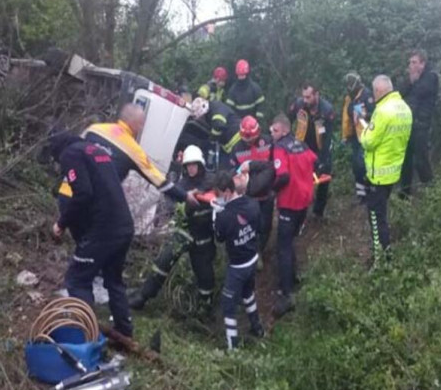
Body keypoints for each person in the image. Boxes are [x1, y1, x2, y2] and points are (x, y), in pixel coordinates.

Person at [49, 131, 135, 337]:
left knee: (76, 279)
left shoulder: (69, 154)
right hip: (124, 225)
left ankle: (87, 334)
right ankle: (124, 331)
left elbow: (83, 193)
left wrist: (61, 224)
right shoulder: (95, 150)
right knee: (113, 279)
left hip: (104, 228)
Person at [127, 145, 216, 314]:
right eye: (188, 165)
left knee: (205, 274)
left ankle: (205, 309)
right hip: (184, 232)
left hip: (204, 237)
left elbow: (221, 183)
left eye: (194, 165)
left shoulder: (211, 181)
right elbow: (170, 202)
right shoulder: (182, 185)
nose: (191, 168)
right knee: (163, 262)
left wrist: (199, 193)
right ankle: (143, 296)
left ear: (201, 164)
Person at [82, 103, 198, 207]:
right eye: (141, 123)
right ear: (133, 122)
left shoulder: (94, 130)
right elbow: (158, 179)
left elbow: (69, 152)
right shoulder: (133, 149)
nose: (141, 128)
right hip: (93, 202)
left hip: (69, 192)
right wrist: (184, 196)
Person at [355, 75, 412, 267]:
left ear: (379, 91)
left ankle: (382, 262)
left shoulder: (382, 111)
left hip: (378, 175)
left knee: (377, 221)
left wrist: (362, 129)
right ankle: (384, 257)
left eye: (374, 91)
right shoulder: (404, 107)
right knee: (381, 216)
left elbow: (369, 141)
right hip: (393, 172)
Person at [269, 114, 318, 317]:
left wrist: (270, 189)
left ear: (284, 130)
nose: (272, 134)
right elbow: (314, 161)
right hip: (304, 202)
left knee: (283, 246)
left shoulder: (280, 148)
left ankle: (287, 294)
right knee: (290, 241)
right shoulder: (301, 144)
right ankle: (293, 276)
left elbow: (283, 176)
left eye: (274, 131)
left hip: (289, 202)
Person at [212, 170, 264, 349]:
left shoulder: (224, 216)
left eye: (219, 194)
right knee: (248, 294)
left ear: (226, 191)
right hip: (252, 259)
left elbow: (219, 237)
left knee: (228, 305)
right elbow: (258, 227)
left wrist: (216, 215)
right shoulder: (252, 203)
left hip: (238, 267)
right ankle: (258, 328)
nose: (218, 197)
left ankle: (232, 347)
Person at [229, 116, 275, 257]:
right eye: (246, 138)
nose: (249, 140)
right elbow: (232, 172)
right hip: (248, 196)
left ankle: (260, 250)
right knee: (249, 227)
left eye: (251, 137)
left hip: (267, 193)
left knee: (266, 225)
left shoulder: (268, 142)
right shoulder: (236, 149)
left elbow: (275, 165)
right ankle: (252, 252)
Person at [289, 82, 335, 218]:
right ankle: (299, 208)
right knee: (300, 177)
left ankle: (318, 212)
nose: (305, 100)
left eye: (308, 97)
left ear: (316, 95)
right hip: (303, 146)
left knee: (324, 177)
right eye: (303, 97)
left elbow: (328, 137)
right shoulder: (298, 105)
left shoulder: (327, 110)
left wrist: (323, 159)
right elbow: (288, 119)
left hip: (321, 146)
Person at [399, 49, 438, 197]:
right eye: (410, 62)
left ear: (423, 64)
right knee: (406, 159)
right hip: (408, 125)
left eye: (414, 62)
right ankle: (404, 193)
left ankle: (432, 192)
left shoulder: (431, 77)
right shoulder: (412, 78)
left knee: (421, 160)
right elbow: (399, 94)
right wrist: (410, 81)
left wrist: (414, 81)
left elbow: (417, 96)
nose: (411, 65)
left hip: (422, 125)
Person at [341, 72, 375, 204]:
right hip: (355, 136)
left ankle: (370, 191)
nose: (349, 88)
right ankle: (361, 194)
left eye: (351, 85)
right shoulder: (350, 97)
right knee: (356, 165)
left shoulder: (367, 95)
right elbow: (346, 116)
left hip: (367, 136)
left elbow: (375, 114)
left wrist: (364, 114)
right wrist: (345, 135)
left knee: (364, 164)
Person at [189, 97, 242, 170]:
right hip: (230, 146)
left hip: (238, 142)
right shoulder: (211, 110)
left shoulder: (215, 109)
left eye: (201, 117)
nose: (202, 119)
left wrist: (212, 139)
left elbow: (219, 125)